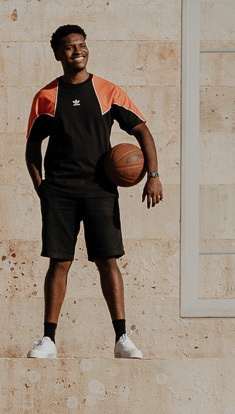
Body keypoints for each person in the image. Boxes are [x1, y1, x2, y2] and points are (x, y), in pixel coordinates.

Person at [25, 24, 163, 359]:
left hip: (100, 189)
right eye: (70, 47)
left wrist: (153, 175)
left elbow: (142, 130)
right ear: (59, 54)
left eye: (82, 45)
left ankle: (122, 338)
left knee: (108, 260)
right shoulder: (46, 96)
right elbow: (32, 148)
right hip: (59, 190)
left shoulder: (107, 91)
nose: (78, 51)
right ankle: (48, 339)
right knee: (59, 262)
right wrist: (41, 188)